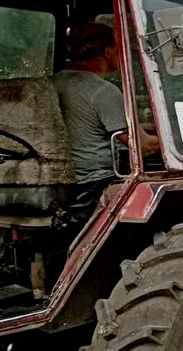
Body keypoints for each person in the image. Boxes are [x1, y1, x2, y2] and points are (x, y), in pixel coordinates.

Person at [52, 22, 157, 219]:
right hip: (93, 186)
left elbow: (90, 123)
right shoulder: (103, 91)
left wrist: (154, 127)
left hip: (60, 184)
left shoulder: (53, 83)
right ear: (109, 52)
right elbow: (144, 148)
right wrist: (178, 143)